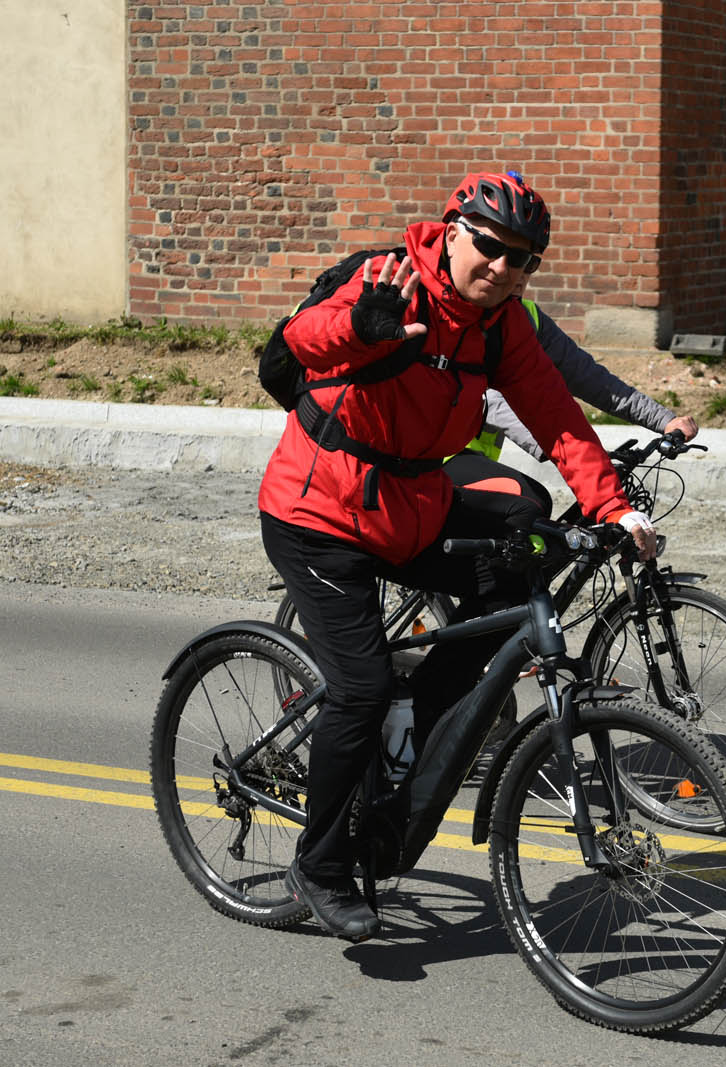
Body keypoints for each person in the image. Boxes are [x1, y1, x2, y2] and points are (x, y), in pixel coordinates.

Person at [257, 171, 655, 942]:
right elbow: (306, 339)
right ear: (451, 228)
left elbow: (558, 419)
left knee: (508, 583)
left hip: (409, 509)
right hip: (318, 514)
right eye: (492, 247)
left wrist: (614, 507)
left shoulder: (500, 325)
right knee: (361, 687)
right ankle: (321, 864)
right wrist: (364, 329)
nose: (505, 268)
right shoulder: (388, 281)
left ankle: (421, 727)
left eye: (525, 259)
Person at [445, 280, 699, 515]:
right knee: (530, 505)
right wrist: (580, 452)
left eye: (527, 264)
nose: (518, 275)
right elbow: (493, 401)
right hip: (438, 462)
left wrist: (665, 420)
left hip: (476, 462)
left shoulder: (528, 316)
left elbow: (591, 379)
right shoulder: (461, 319)